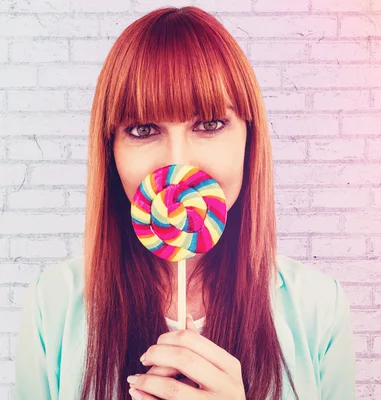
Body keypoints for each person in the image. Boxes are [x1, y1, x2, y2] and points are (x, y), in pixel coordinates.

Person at [13, 6, 356, 400]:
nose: (178, 162)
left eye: (209, 124)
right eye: (143, 130)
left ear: (250, 138)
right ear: (111, 153)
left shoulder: (319, 309)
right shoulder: (51, 304)